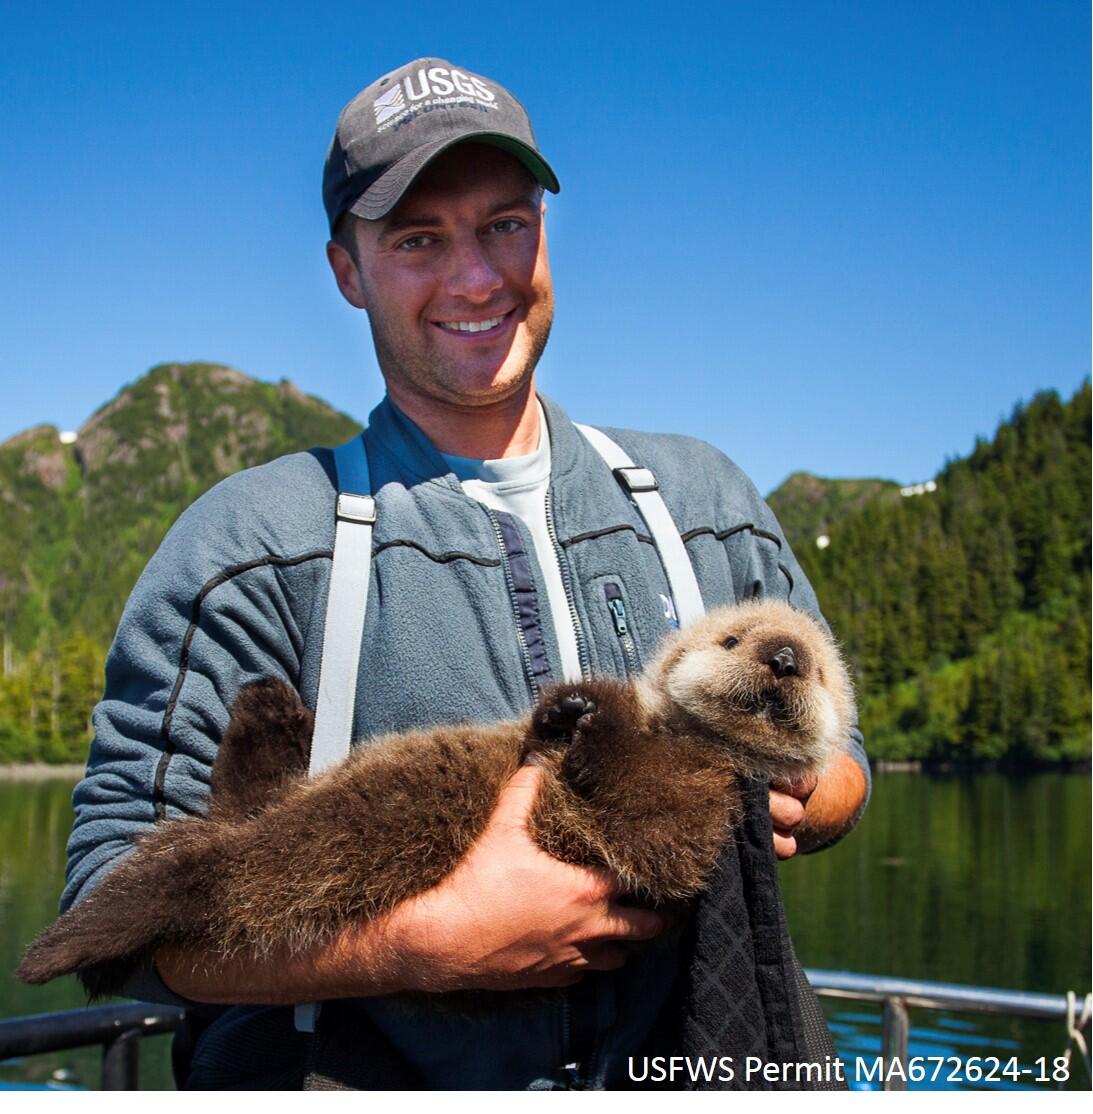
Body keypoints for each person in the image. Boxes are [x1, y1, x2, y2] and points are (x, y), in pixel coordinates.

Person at [60, 58, 869, 1089]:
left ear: (543, 229)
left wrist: (817, 791)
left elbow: (847, 759)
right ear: (346, 270)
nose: (477, 277)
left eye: (504, 224)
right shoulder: (252, 544)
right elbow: (116, 897)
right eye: (416, 239)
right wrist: (421, 946)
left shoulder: (705, 501)